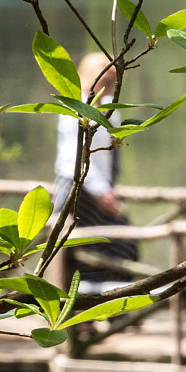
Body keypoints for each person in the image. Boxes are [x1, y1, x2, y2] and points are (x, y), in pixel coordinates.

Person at [53, 50, 134, 247]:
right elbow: (74, 156)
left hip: (102, 187)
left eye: (112, 83)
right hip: (77, 189)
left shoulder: (109, 109)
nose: (108, 88)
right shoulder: (74, 109)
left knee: (123, 243)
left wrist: (106, 188)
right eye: (105, 82)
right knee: (74, 245)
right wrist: (101, 191)